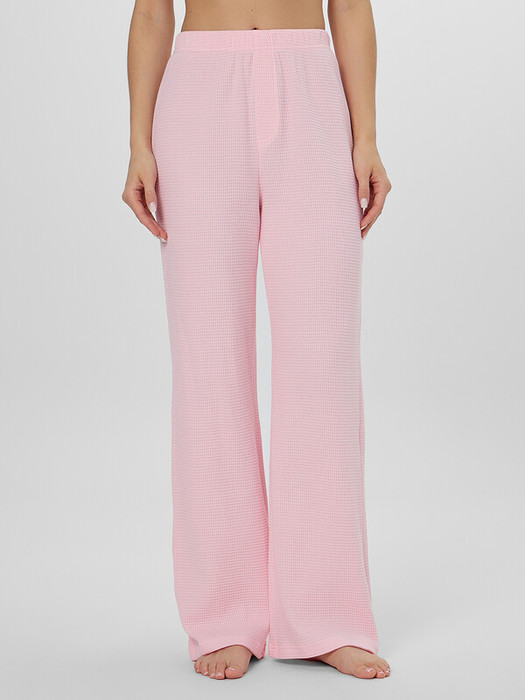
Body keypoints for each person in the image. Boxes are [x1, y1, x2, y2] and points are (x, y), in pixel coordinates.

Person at [122, 0, 392, 681]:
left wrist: (365, 136)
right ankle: (225, 612)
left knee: (323, 362)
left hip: (310, 88)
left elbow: (349, 4)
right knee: (208, 363)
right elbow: (152, 11)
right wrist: (138, 142)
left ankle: (325, 612)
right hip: (199, 97)